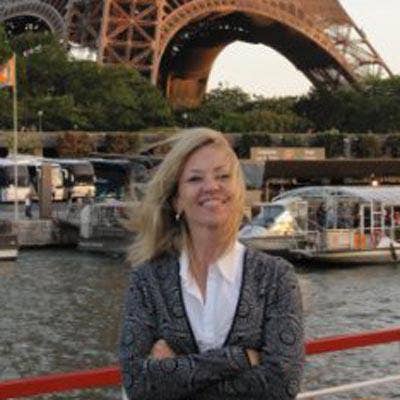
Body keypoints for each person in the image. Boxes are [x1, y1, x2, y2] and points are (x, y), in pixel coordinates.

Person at [120, 128, 304, 400]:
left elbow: (282, 384)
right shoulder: (148, 280)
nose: (211, 186)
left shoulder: (276, 277)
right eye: (195, 178)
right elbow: (137, 382)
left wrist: (174, 372)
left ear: (238, 189)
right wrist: (242, 358)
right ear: (177, 200)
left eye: (223, 176)